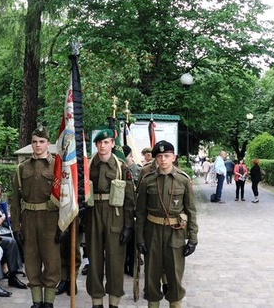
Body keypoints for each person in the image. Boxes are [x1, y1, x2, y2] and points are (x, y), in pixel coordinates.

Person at [135, 140, 199, 308]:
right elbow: (140, 212)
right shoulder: (147, 180)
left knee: (175, 276)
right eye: (159, 156)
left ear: (173, 157)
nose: (163, 159)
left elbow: (191, 211)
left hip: (175, 233)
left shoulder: (183, 180)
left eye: (167, 156)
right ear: (155, 158)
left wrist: (193, 238)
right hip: (152, 232)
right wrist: (139, 238)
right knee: (151, 277)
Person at [85, 129, 135, 308]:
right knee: (94, 259)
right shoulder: (88, 165)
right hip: (93, 213)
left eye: (106, 142)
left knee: (115, 261)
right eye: (99, 143)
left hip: (116, 214)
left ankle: (114, 302)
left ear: (113, 144)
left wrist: (129, 225)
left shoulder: (122, 167)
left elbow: (129, 199)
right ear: (96, 145)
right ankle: (96, 302)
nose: (102, 146)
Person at [11, 127, 60, 308]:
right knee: (31, 261)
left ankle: (48, 302)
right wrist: (16, 227)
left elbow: (65, 199)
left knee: (51, 262)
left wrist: (63, 227)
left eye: (41, 141)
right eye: (34, 142)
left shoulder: (57, 167)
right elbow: (15, 201)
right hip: (29, 221)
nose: (38, 145)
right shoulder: (21, 168)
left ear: (48, 143)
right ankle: (36, 301)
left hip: (50, 220)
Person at [123, 145, 140, 277]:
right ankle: (122, 264)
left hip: (134, 208)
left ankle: (132, 263)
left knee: (133, 239)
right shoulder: (119, 169)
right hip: (121, 208)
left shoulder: (138, 170)